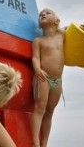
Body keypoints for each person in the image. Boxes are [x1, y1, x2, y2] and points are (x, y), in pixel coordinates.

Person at [31, 8, 65, 147]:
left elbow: (75, 30)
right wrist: (37, 69)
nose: (43, 14)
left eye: (47, 13)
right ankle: (35, 141)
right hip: (43, 76)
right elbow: (35, 57)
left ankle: (44, 143)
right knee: (40, 108)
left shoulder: (62, 35)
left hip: (58, 80)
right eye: (40, 14)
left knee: (50, 111)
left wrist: (81, 29)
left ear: (56, 21)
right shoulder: (38, 40)